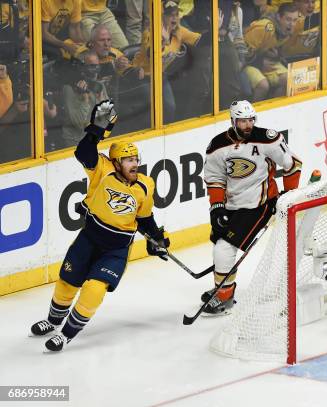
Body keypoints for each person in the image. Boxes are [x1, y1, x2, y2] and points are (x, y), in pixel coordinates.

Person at [29, 100, 170, 352]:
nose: (133, 163)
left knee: (95, 288)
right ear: (116, 163)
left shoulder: (146, 185)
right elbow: (83, 152)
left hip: (115, 249)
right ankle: (53, 321)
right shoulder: (102, 170)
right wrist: (95, 129)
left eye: (135, 158)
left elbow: (145, 218)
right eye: (127, 160)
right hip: (89, 239)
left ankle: (68, 334)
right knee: (67, 282)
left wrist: (156, 238)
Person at [202, 100, 302, 315]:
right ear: (233, 121)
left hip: (260, 205)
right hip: (231, 206)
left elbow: (293, 164)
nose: (247, 125)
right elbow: (214, 179)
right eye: (242, 121)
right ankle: (223, 286)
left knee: (224, 248)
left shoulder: (268, 139)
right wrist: (217, 207)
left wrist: (289, 195)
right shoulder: (218, 145)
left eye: (250, 120)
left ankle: (224, 296)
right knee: (220, 244)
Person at [242, 3, 300, 100]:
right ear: (278, 17)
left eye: (294, 20)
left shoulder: (288, 29)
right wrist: (260, 62)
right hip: (248, 64)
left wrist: (277, 55)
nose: (292, 24)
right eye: (288, 19)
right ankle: (253, 112)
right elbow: (243, 52)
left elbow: (275, 48)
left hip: (265, 62)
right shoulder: (265, 27)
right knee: (263, 86)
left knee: (290, 79)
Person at [61, 51, 109, 147]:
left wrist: (101, 102)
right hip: (76, 141)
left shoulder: (99, 86)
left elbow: (107, 120)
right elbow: (79, 124)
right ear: (82, 68)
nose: (95, 70)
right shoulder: (69, 89)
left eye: (97, 66)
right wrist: (85, 100)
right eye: (91, 66)